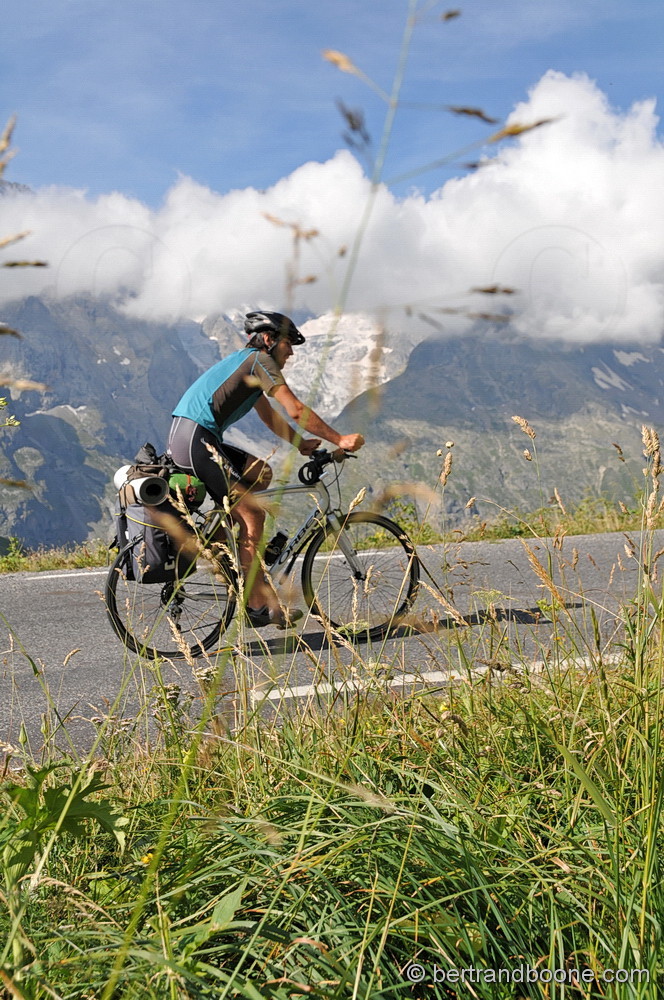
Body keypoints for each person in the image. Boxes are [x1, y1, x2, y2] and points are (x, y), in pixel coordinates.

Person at [168, 311, 365, 627]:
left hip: (192, 437)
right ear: (270, 340)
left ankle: (231, 549)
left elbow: (269, 416)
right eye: (288, 343)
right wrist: (339, 438)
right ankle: (256, 606)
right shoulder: (260, 361)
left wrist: (300, 443)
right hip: (195, 438)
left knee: (261, 473)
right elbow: (295, 408)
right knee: (253, 514)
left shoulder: (248, 365)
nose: (291, 351)